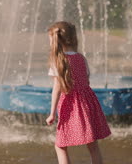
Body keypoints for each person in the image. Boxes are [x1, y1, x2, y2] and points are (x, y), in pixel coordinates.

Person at [45, 21, 111, 164]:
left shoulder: (58, 61)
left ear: (56, 41)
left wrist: (52, 113)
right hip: (88, 103)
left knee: (61, 146)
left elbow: (57, 89)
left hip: (69, 106)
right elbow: (86, 80)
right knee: (93, 145)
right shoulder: (81, 58)